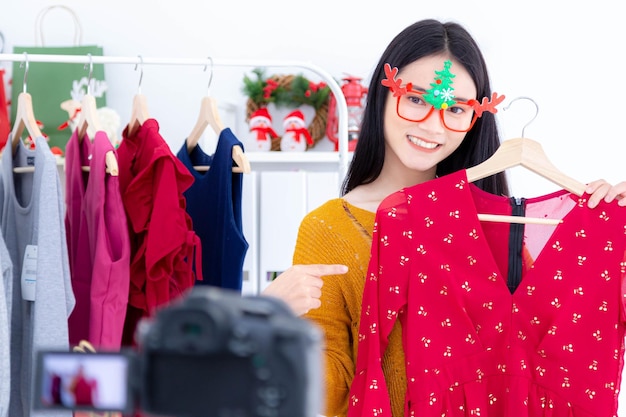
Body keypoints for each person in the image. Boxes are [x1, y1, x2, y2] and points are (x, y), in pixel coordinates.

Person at [261, 18, 626, 417]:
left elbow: (547, 348)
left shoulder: (503, 220)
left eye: (454, 108)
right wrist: (266, 319)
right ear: (384, 95)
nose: (432, 125)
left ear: (475, 119)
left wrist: (607, 244)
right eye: (416, 99)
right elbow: (320, 391)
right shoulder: (329, 228)